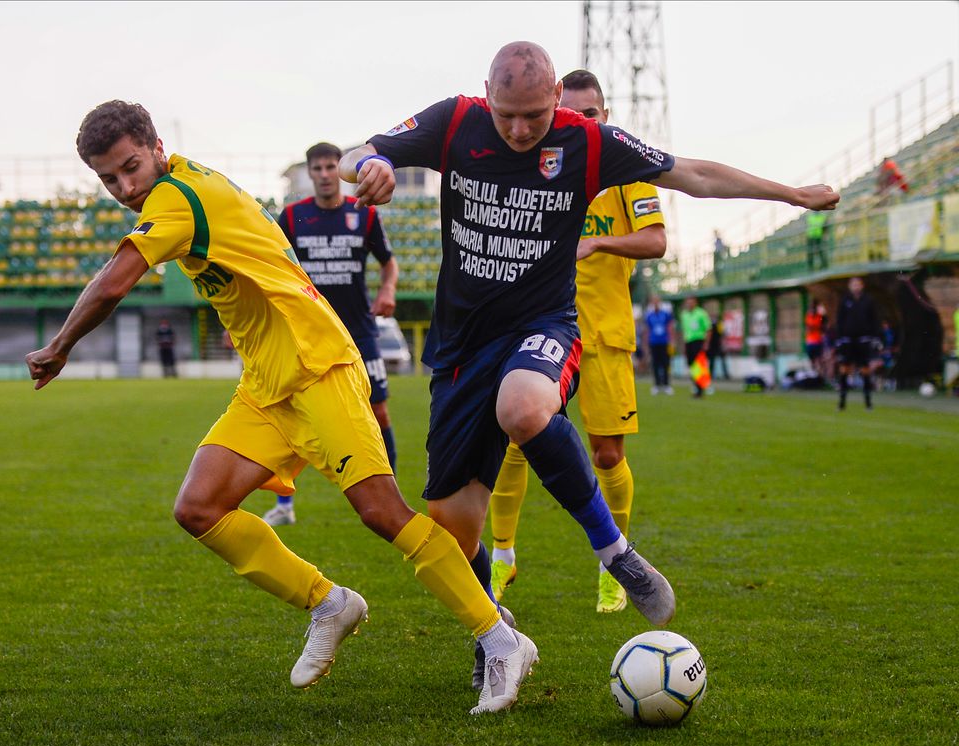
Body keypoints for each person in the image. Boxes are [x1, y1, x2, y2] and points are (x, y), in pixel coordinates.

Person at [339, 41, 837, 678]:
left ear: (555, 101)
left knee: (523, 408)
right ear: (486, 95)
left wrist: (790, 194)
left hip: (543, 325)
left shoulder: (590, 142)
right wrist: (371, 165)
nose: (519, 131)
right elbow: (360, 151)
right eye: (506, 115)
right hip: (461, 344)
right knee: (454, 532)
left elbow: (697, 175)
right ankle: (498, 637)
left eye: (534, 117)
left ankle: (617, 554)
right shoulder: (455, 121)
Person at [25, 100, 535, 715]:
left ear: (158, 147)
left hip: (317, 364)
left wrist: (58, 347)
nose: (126, 187)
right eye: (109, 179)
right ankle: (328, 603)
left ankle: (499, 637)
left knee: (380, 511)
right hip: (268, 381)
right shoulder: (184, 184)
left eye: (132, 167)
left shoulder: (175, 198)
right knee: (199, 508)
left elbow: (114, 280)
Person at [482, 69, 667, 615]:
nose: (582, 123)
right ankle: (503, 553)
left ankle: (615, 566)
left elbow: (657, 241)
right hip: (540, 328)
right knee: (515, 436)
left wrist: (597, 244)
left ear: (604, 117)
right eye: (575, 114)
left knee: (607, 452)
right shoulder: (544, 164)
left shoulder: (629, 172)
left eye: (592, 115)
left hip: (604, 331)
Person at [261, 142, 401, 528]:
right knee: (293, 417)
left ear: (338, 171)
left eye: (329, 167)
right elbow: (271, 267)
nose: (324, 175)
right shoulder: (291, 217)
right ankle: (284, 506)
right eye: (317, 169)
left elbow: (389, 265)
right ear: (309, 173)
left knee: (379, 411)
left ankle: (390, 497)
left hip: (359, 329)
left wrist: (387, 290)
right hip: (308, 333)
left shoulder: (364, 214)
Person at [835, 276, 881, 410]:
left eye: (858, 284)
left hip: (863, 339)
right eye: (853, 284)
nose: (856, 286)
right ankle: (842, 402)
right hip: (847, 340)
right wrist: (840, 338)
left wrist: (874, 337)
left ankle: (868, 402)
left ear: (862, 285)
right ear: (850, 286)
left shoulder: (868, 300)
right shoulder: (845, 300)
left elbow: (874, 319)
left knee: (865, 370)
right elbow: (840, 320)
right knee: (844, 369)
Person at [679, 297, 712, 397]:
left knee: (699, 365)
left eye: (691, 302)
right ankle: (696, 385)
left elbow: (708, 329)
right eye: (688, 303)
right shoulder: (684, 315)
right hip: (689, 342)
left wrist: (706, 343)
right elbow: (684, 331)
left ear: (695, 303)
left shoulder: (701, 313)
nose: (689, 304)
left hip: (698, 341)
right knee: (691, 365)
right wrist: (684, 345)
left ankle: (701, 388)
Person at [644, 296, 675, 395]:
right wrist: (646, 342)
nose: (656, 303)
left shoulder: (665, 314)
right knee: (655, 364)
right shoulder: (649, 315)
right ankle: (656, 385)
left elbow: (669, 327)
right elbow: (647, 330)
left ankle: (666, 385)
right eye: (654, 301)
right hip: (653, 342)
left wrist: (672, 340)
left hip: (664, 342)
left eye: (657, 301)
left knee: (665, 363)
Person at [804, 301, 827, 377]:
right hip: (810, 342)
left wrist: (815, 327)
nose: (812, 311)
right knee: (811, 360)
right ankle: (813, 374)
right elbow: (807, 328)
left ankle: (820, 375)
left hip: (818, 341)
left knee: (819, 360)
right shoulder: (808, 317)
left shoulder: (819, 317)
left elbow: (823, 326)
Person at [706, 313, 729, 380]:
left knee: (721, 360)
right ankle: (711, 374)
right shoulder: (711, 324)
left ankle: (725, 375)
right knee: (713, 361)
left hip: (718, 345)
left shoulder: (719, 324)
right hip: (713, 345)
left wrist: (723, 344)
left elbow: (722, 334)